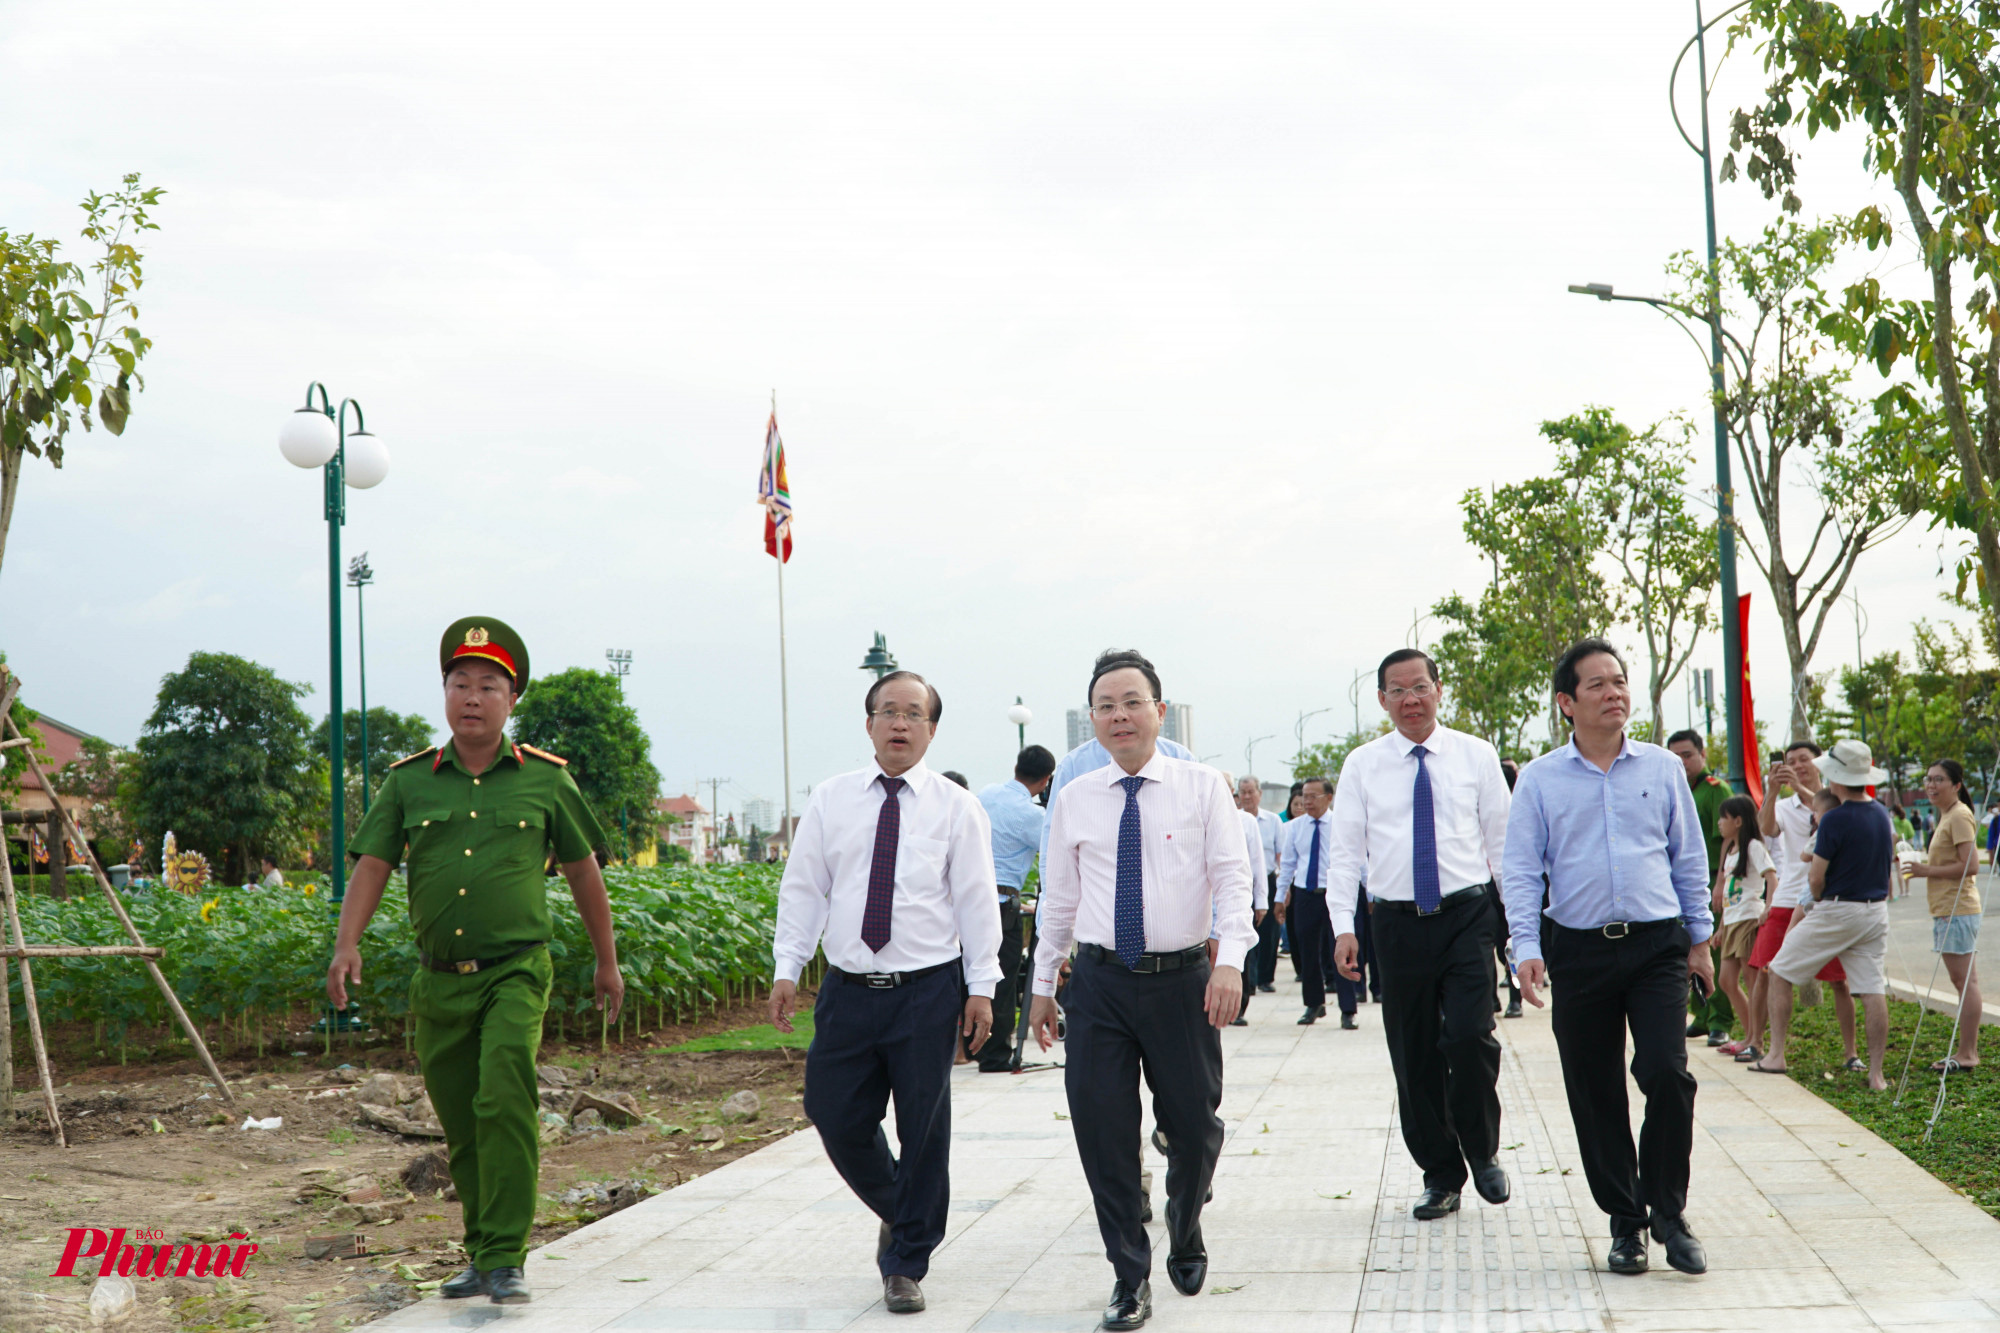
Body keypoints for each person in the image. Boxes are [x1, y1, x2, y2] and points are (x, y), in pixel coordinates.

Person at [330, 617, 621, 1306]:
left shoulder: (546, 782)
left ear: (510, 700)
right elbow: (372, 865)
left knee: (503, 1096)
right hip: (439, 981)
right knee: (461, 1120)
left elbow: (583, 872)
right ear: (445, 694)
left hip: (516, 969)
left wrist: (607, 961)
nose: (472, 696)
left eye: (489, 685)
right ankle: (481, 1252)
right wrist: (348, 943)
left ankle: (506, 1255)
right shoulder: (409, 784)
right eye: (460, 683)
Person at [1030, 649, 1254, 1330]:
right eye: (1106, 704)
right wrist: (1043, 984)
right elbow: (1058, 903)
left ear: (1159, 710)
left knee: (1194, 1124)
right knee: (1103, 1132)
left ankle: (1184, 1217)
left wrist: (1231, 961)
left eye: (1133, 701)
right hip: (1098, 984)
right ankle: (1130, 1275)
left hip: (1183, 981)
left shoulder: (1200, 787)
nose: (1120, 714)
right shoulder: (1074, 799)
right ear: (1092, 720)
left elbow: (1233, 879)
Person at [767, 671, 1001, 1315]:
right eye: (888, 711)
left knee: (923, 1128)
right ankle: (906, 1211)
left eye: (914, 714)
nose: (900, 723)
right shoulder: (832, 798)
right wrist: (788, 965)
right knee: (831, 1108)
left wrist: (980, 988)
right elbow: (804, 887)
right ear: (868, 723)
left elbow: (978, 902)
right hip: (847, 989)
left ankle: (905, 1263)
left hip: (927, 990)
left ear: (931, 729)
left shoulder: (957, 808)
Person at [1504, 639, 1712, 1277]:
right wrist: (1527, 946)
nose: (1613, 693)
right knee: (1595, 1092)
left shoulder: (1661, 769)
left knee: (1666, 1074)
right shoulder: (1540, 779)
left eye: (1619, 681)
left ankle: (1668, 1213)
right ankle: (1626, 1223)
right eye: (1596, 685)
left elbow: (1688, 856)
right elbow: (1519, 870)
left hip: (1656, 945)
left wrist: (1700, 938)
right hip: (1580, 950)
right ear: (1567, 703)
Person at [1327, 648, 1513, 1220]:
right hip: (1397, 924)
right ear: (1382, 700)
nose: (1410, 699)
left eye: (1420, 687)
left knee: (1467, 1036)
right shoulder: (1362, 764)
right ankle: (1441, 1174)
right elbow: (1345, 854)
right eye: (1397, 691)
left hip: (1466, 914)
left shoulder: (1476, 756)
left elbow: (1504, 845)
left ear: (1439, 689)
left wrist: (1519, 927)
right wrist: (1343, 927)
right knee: (1413, 1055)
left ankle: (1481, 1151)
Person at [1755, 739, 1895, 1092]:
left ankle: (1776, 1054)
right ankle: (1876, 1073)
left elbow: (1815, 878)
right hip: (1875, 912)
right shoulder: (1880, 812)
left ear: (1833, 776)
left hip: (1836, 908)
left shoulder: (1833, 819)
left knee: (1780, 970)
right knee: (1871, 988)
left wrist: (1815, 902)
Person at [1748, 742, 1860, 1069]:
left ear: (1819, 763)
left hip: (1829, 899)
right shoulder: (1784, 804)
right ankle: (1757, 1043)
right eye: (1790, 762)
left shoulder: (1838, 799)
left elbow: (1833, 819)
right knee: (1764, 969)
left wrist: (1800, 788)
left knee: (1840, 980)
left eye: (1803, 760)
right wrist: (1771, 791)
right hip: (1788, 898)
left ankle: (1851, 1053)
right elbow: (1765, 829)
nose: (1797, 766)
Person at [975, 745, 1056, 1072]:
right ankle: (994, 1055)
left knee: (970, 975)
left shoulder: (987, 793)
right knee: (1003, 980)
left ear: (1017, 766)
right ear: (1046, 780)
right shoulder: (1033, 816)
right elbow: (1054, 851)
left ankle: (967, 1047)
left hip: (969, 899)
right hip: (1002, 904)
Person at [1903, 760, 1983, 1073]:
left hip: (1957, 908)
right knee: (1964, 980)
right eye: (1928, 779)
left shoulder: (1960, 815)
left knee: (1965, 982)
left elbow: (1971, 865)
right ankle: (1967, 1051)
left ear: (1957, 785)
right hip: (1950, 909)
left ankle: (1967, 1053)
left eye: (1939, 780)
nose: (1931, 785)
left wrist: (1926, 870)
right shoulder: (1948, 815)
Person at [1666, 730, 1734, 1047]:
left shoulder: (1715, 790)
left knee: (1711, 950)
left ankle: (1721, 1019)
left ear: (1702, 754)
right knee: (1685, 949)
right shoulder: (1672, 787)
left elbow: (1729, 840)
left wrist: (1720, 882)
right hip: (1675, 883)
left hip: (1709, 878)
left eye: (1687, 754)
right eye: (1675, 755)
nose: (1682, 761)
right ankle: (1702, 1015)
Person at [1276, 778, 1350, 1028]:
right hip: (1305, 894)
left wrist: (1368, 895)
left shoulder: (1341, 825)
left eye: (1313, 796)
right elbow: (1287, 864)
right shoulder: (1294, 828)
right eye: (1304, 796)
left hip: (1336, 895)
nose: (1307, 801)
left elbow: (1356, 860)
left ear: (1329, 798)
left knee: (1342, 950)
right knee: (1307, 952)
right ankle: (1313, 1004)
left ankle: (1348, 1009)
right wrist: (1279, 897)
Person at [1708, 795, 1773, 1054]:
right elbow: (1727, 895)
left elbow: (1771, 877)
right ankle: (1749, 1036)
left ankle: (1755, 1040)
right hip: (1732, 921)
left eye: (1723, 818)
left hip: (1749, 918)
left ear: (1738, 820)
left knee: (1752, 978)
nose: (1719, 823)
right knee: (1726, 980)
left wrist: (1768, 907)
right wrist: (1722, 927)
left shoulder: (1754, 846)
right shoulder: (1731, 850)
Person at [1220, 769, 1269, 1025]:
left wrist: (1261, 901)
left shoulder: (1245, 821)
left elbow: (1258, 864)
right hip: (1210, 901)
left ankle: (1239, 1007)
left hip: (1239, 896)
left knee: (1241, 951)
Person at [1238, 775, 1283, 995]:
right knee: (1246, 932)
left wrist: (1284, 888)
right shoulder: (1234, 819)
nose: (1247, 796)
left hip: (1268, 879)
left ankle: (1266, 977)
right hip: (1242, 882)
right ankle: (1251, 980)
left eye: (1250, 792)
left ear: (1259, 794)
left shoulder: (1273, 820)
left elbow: (1280, 854)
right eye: (1242, 792)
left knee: (1269, 933)